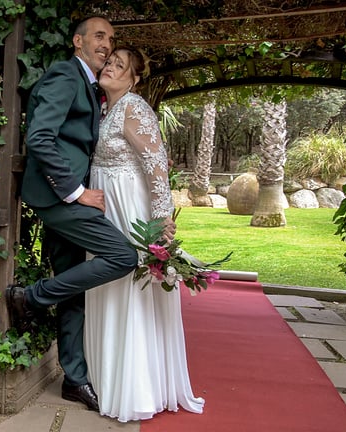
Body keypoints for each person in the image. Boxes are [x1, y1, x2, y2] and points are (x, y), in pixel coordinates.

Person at [6, 17, 159, 411]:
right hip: (59, 199)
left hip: (69, 197)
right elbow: (39, 136)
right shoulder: (65, 75)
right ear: (78, 41)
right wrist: (76, 192)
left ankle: (74, 379)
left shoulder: (93, 89)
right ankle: (31, 297)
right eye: (99, 36)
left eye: (110, 38)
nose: (107, 44)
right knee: (123, 256)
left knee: (73, 286)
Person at [84, 47, 205, 422]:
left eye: (121, 66)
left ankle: (136, 387)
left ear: (134, 79)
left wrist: (161, 222)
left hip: (128, 205)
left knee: (128, 285)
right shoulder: (103, 108)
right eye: (110, 61)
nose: (111, 67)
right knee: (106, 284)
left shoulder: (134, 107)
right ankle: (106, 377)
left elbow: (155, 166)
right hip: (104, 204)